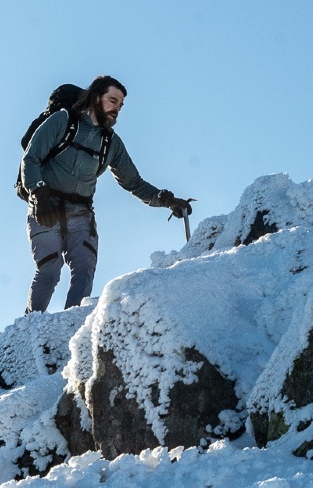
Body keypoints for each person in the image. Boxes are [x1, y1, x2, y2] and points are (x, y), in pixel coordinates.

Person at [19, 75, 192, 312]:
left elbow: (134, 183)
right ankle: (31, 328)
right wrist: (39, 195)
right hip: (46, 207)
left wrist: (166, 200)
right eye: (113, 100)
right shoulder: (63, 121)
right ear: (96, 97)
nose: (117, 109)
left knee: (84, 269)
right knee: (49, 269)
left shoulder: (111, 143)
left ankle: (71, 326)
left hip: (81, 215)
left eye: (120, 105)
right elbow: (31, 158)